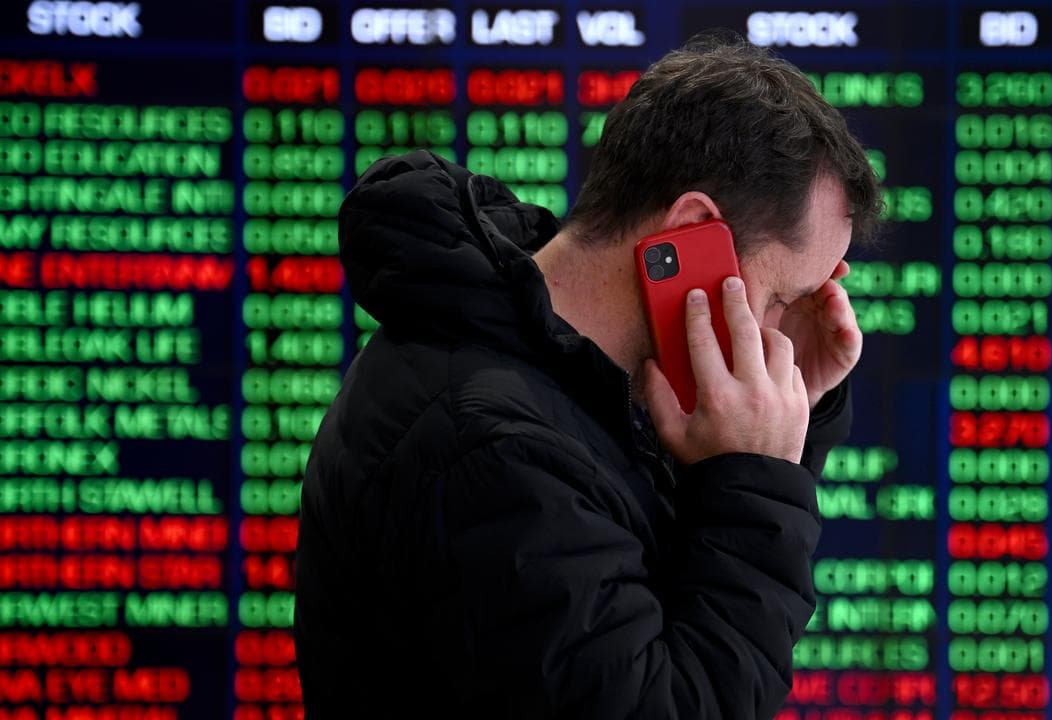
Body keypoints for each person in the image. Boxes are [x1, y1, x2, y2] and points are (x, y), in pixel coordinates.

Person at [294, 32, 881, 719]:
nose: (774, 337)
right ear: (690, 236)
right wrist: (754, 483)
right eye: (780, 298)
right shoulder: (496, 451)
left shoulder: (552, 380)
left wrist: (791, 423)